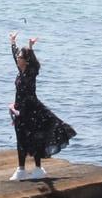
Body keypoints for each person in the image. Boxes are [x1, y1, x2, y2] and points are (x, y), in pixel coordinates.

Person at [7, 32, 76, 181]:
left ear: (25, 61)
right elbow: (15, 55)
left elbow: (28, 96)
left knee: (35, 137)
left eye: (20, 57)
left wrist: (15, 110)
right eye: (18, 57)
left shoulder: (30, 73)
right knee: (21, 138)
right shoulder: (21, 70)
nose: (17, 58)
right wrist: (13, 42)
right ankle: (22, 169)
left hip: (30, 110)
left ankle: (36, 169)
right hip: (22, 109)